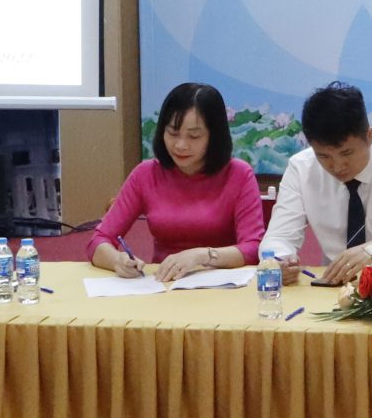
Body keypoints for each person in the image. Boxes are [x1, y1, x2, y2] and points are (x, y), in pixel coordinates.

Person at [263, 82, 372, 287]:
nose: (337, 166)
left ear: (369, 136)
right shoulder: (301, 169)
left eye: (346, 153)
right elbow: (278, 237)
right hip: (331, 287)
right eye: (324, 156)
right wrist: (280, 261)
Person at [90, 82, 266, 281]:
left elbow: (253, 248)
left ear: (214, 136)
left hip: (223, 285)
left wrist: (201, 255)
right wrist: (117, 260)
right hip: (164, 285)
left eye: (194, 136)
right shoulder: (146, 174)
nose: (181, 145)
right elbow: (99, 240)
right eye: (173, 133)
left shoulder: (239, 174)